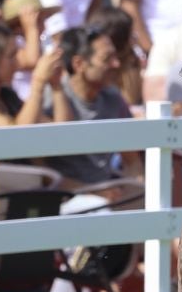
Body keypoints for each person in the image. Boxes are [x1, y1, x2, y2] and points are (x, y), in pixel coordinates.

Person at [40, 25, 133, 185]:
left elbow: (132, 161)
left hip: (109, 190)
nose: (116, 64)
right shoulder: (51, 97)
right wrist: (94, 192)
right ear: (78, 64)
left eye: (115, 57)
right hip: (66, 197)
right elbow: (43, 172)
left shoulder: (113, 97)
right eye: (106, 58)